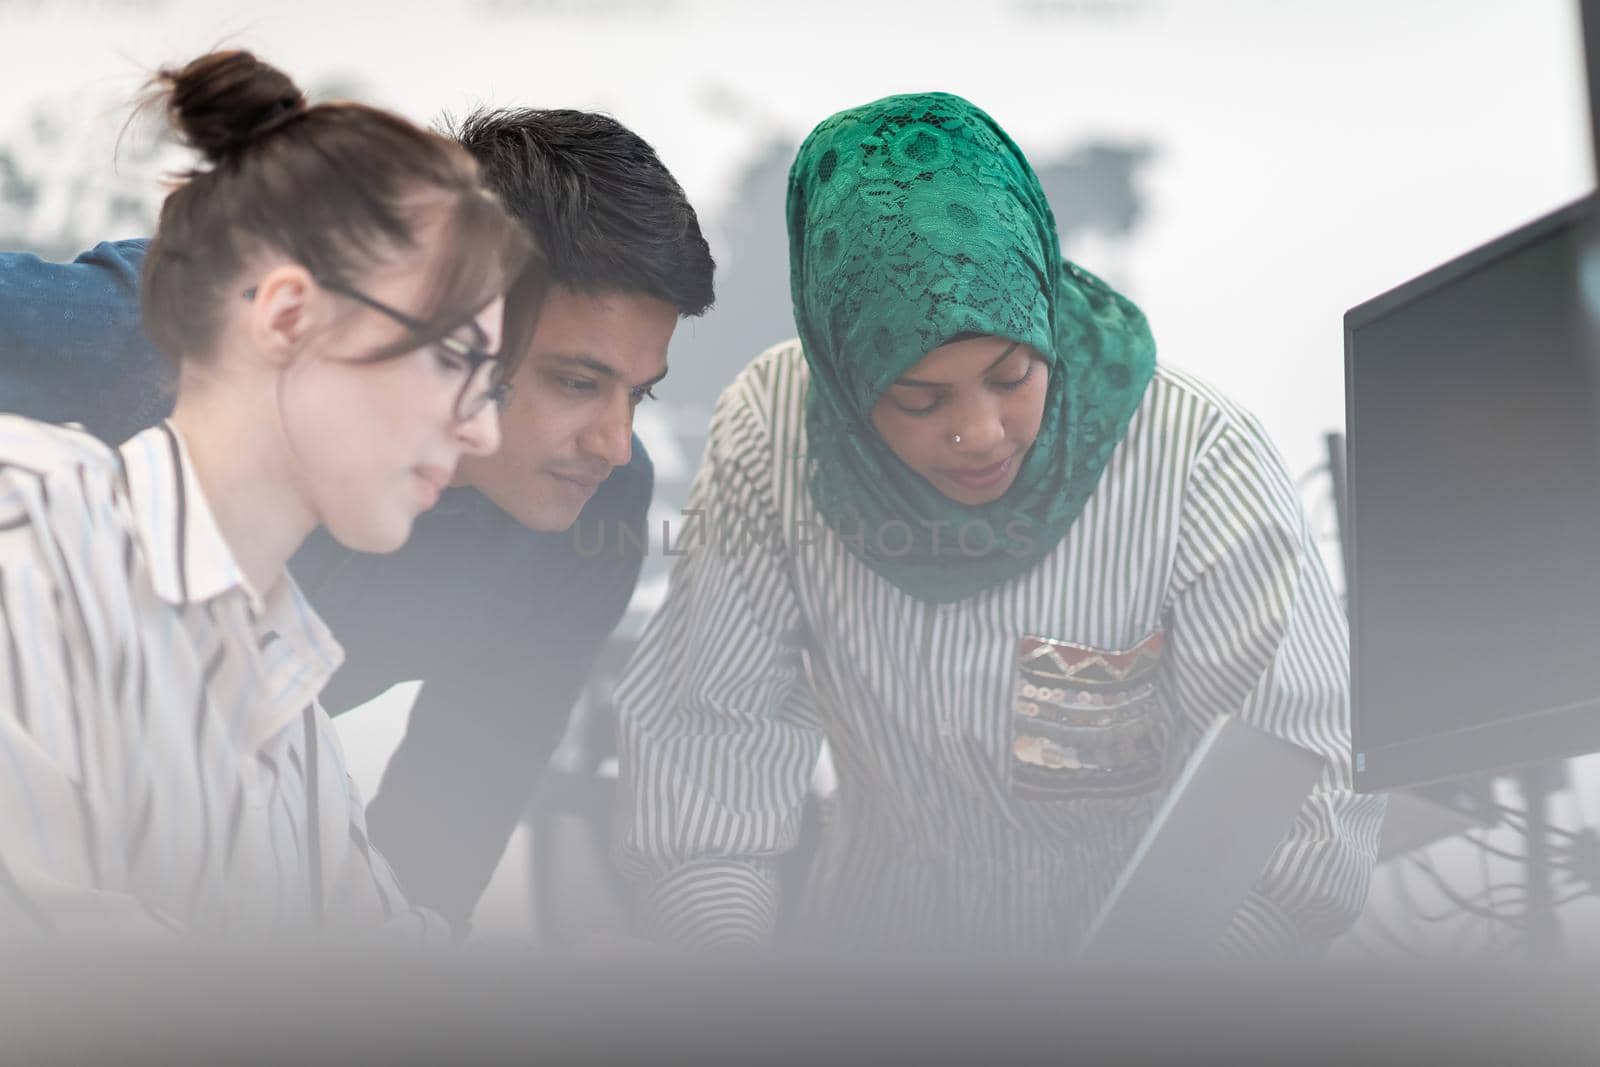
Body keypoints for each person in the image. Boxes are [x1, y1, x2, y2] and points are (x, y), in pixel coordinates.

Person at [614, 92, 1384, 958]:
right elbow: (710, 758)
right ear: (840, 371)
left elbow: (1299, 792)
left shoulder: (1194, 454)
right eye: (919, 397)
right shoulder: (777, 430)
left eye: (1012, 374)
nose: (978, 434)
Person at [0, 108, 715, 931]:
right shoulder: (144, 336)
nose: (614, 445)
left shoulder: (587, 512)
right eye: (576, 382)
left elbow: (436, 847)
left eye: (642, 392)